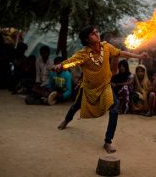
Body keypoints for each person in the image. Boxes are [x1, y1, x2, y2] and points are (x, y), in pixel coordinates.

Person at [54, 25, 148, 154]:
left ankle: (108, 141)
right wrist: (61, 66)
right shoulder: (83, 54)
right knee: (76, 105)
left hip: (105, 86)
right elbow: (71, 62)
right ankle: (66, 120)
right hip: (89, 88)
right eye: (93, 34)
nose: (97, 34)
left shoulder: (106, 47)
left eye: (96, 32)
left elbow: (120, 53)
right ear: (87, 40)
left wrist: (139, 56)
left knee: (114, 108)